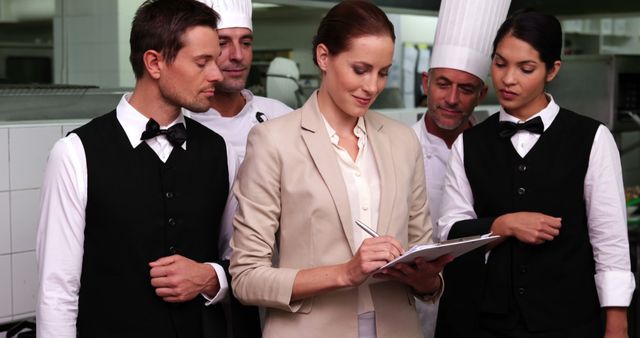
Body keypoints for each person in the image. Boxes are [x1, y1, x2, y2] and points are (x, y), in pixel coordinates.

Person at [229, 1, 450, 337]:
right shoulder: (273, 141)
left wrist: (427, 279)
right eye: (360, 69)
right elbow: (246, 278)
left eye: (383, 72)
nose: (373, 87)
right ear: (323, 57)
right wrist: (347, 272)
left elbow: (421, 251)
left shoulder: (403, 140)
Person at [36, 1, 238, 337]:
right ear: (154, 62)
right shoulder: (74, 154)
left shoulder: (221, 151)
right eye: (202, 62)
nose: (217, 74)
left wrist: (211, 277)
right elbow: (57, 291)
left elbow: (242, 262)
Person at [436, 9, 636, 338]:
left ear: (552, 70)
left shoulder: (592, 139)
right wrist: (502, 225)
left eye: (525, 68)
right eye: (500, 64)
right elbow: (449, 232)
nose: (507, 79)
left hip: (569, 321)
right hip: (488, 322)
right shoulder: (468, 144)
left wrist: (617, 323)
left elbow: (609, 241)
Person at [411, 0, 510, 336]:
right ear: (426, 82)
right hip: (412, 302)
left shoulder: (501, 151)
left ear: (481, 93)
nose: (452, 99)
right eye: (442, 84)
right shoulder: (397, 147)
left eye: (465, 89)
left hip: (482, 306)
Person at [186, 0, 292, 164]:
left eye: (246, 43)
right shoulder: (177, 125)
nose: (238, 55)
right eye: (222, 43)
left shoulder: (281, 117)